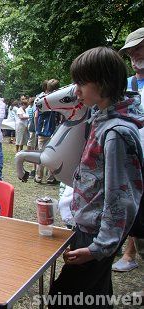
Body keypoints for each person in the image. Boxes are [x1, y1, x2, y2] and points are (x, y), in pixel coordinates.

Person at [48, 47, 143, 308]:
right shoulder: (101, 117)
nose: (76, 90)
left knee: (64, 296)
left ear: (102, 83)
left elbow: (121, 198)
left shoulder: (116, 133)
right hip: (90, 227)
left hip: (97, 234)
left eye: (81, 83)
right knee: (95, 295)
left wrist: (98, 248)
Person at [112, 27, 144, 273]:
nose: (135, 55)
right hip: (133, 156)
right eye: (131, 52)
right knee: (134, 209)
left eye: (140, 49)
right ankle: (130, 252)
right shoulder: (129, 83)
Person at [35, 79, 60, 184]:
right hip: (54, 130)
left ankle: (38, 177)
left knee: (41, 154)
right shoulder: (59, 99)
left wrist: (37, 129)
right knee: (53, 154)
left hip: (42, 130)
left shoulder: (40, 99)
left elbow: (36, 115)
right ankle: (50, 177)